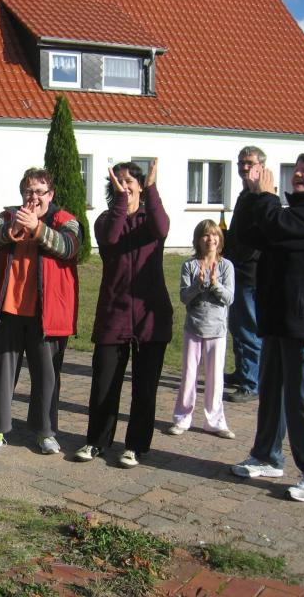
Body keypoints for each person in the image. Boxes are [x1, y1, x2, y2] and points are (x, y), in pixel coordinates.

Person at [230, 154, 304, 502]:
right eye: (295, 170)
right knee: (272, 394)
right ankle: (266, 457)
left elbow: (276, 225)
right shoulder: (289, 213)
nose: (297, 175)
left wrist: (265, 197)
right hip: (279, 320)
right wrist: (249, 194)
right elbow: (245, 236)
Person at [75, 160, 172, 468]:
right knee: (104, 384)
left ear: (141, 186)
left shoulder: (151, 218)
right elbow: (112, 238)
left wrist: (152, 190)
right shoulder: (106, 220)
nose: (124, 185)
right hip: (113, 314)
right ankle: (96, 441)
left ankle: (135, 446)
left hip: (150, 316)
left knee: (145, 388)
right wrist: (120, 201)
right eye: (118, 181)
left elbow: (162, 228)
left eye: (129, 180)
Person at [0, 167, 80, 455]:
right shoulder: (9, 215)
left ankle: (45, 432)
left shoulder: (65, 220)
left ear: (51, 194)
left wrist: (38, 228)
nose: (33, 197)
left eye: (39, 191)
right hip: (6, 311)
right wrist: (10, 230)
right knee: (0, 376)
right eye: (28, 191)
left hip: (46, 314)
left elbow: (70, 246)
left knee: (47, 377)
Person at [167, 219, 235, 439]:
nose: (210, 239)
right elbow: (184, 297)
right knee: (189, 375)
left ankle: (215, 422)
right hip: (194, 328)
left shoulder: (226, 266)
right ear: (198, 240)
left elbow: (229, 298)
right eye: (205, 235)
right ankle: (182, 418)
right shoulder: (189, 265)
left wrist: (215, 284)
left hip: (217, 330)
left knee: (215, 378)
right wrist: (198, 284)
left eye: (214, 235)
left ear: (220, 239)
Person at [223, 146, 265, 403]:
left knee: (248, 327)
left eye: (249, 163)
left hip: (250, 273)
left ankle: (252, 383)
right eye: (241, 163)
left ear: (261, 166)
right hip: (235, 269)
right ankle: (242, 372)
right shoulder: (245, 194)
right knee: (237, 325)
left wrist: (240, 257)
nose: (244, 167)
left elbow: (259, 236)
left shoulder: (261, 195)